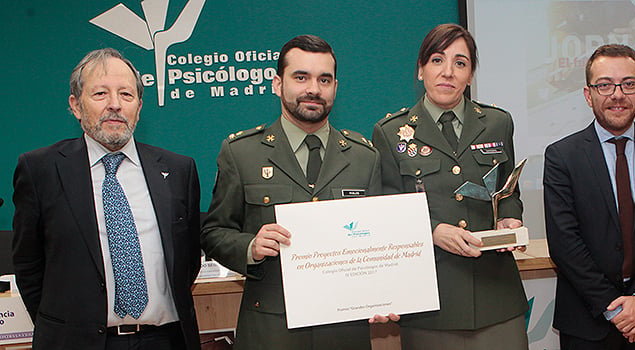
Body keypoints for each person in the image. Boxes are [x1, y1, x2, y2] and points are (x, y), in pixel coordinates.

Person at [200, 35, 390, 349]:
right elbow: (214, 232)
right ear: (278, 83)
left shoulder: (364, 157)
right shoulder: (241, 153)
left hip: (344, 332)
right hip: (271, 331)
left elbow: (379, 241)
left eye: (324, 79)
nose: (313, 89)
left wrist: (385, 294)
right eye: (301, 77)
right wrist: (252, 246)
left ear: (335, 88)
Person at [12, 48, 201, 349]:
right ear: (76, 105)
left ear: (139, 107)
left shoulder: (178, 170)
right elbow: (28, 265)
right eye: (100, 94)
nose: (115, 105)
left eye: (126, 95)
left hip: (163, 340)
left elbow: (188, 261)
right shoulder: (41, 170)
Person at [371, 23, 529, 349]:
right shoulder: (390, 133)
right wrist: (432, 231)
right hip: (431, 303)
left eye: (460, 63)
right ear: (420, 70)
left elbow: (508, 190)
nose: (448, 72)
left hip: (496, 294)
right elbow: (385, 212)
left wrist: (510, 218)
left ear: (470, 75)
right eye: (437, 60)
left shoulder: (498, 123)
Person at [543, 44, 635, 350]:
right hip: (587, 321)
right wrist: (615, 307)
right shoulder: (562, 156)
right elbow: (564, 243)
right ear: (588, 94)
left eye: (628, 84)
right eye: (605, 85)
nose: (618, 94)